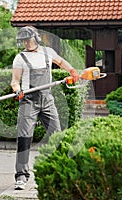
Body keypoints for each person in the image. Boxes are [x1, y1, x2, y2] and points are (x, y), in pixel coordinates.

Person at [11, 26, 80, 190]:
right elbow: (15, 81)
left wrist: (72, 71)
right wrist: (17, 91)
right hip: (28, 100)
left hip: (47, 99)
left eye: (28, 40)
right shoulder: (20, 58)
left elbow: (61, 62)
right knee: (24, 137)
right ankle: (21, 176)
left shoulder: (47, 52)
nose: (26, 43)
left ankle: (61, 171)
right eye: (23, 41)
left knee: (57, 135)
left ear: (36, 38)